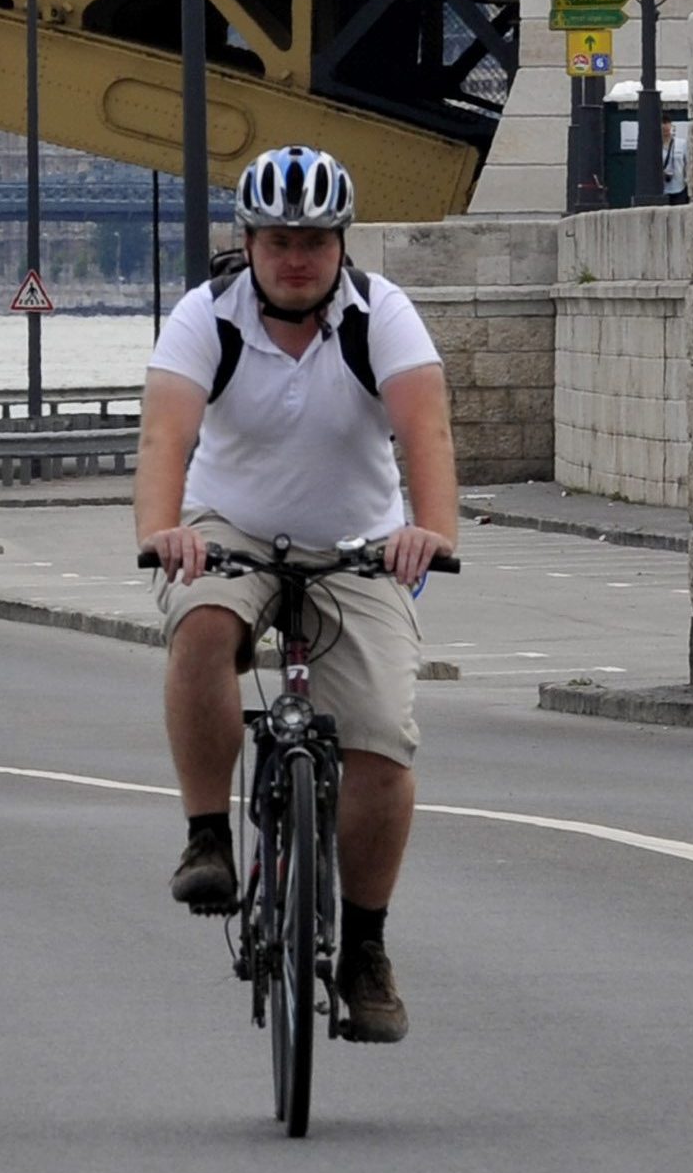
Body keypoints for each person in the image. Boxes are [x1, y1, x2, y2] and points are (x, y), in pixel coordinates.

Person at [138, 145, 458, 1047]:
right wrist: (164, 531)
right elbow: (167, 435)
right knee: (200, 628)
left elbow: (424, 425)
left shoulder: (380, 313)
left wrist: (431, 530)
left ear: (341, 245)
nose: (296, 257)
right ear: (248, 242)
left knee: (384, 745)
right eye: (279, 239)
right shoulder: (207, 315)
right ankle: (208, 837)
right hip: (229, 527)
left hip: (359, 542)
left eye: (315, 240)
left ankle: (364, 950)